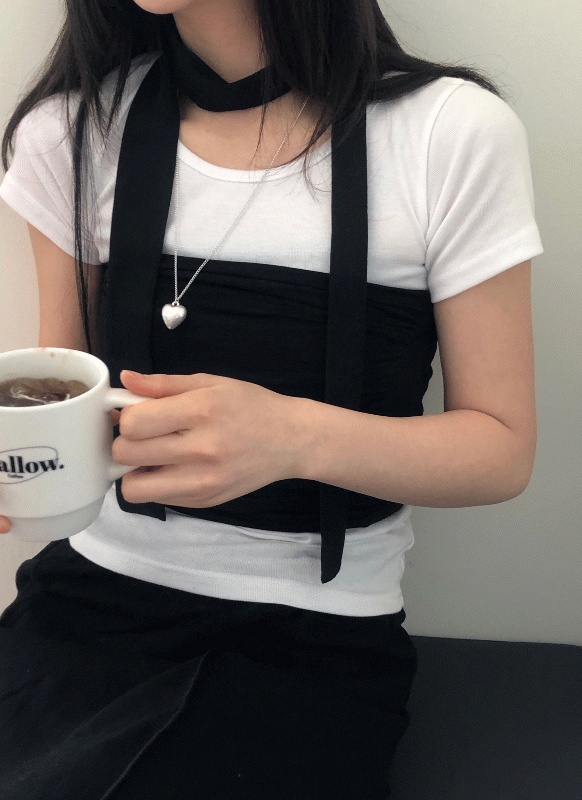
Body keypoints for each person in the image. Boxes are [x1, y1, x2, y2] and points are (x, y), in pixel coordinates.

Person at [0, 1, 544, 798]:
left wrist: (292, 437)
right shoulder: (69, 130)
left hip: (315, 639)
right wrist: (22, 469)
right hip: (84, 609)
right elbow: (65, 395)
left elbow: (501, 450)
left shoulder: (451, 132)